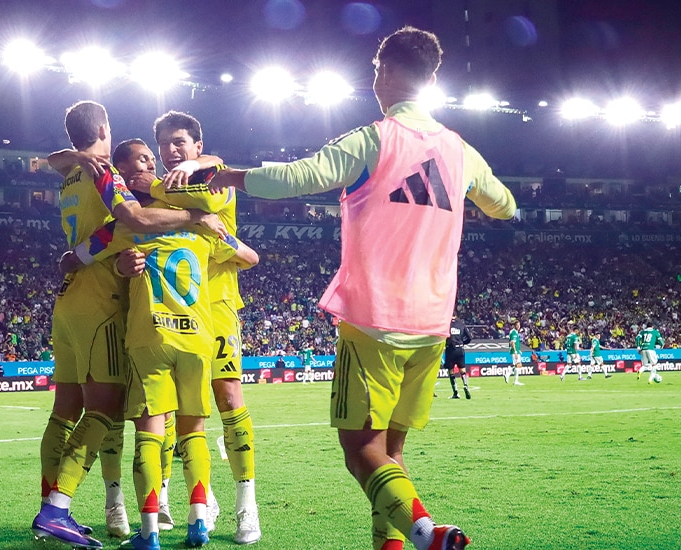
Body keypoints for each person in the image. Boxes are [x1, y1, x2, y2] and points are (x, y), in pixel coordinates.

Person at [202, 25, 515, 550]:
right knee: (390, 453)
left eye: (376, 71)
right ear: (432, 78)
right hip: (433, 323)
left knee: (360, 451)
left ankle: (425, 533)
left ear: (383, 72)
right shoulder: (461, 151)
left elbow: (299, 176)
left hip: (374, 320)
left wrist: (229, 175)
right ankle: (392, 544)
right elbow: (506, 205)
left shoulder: (373, 138)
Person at [32, 100, 224, 549]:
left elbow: (75, 250)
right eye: (144, 156)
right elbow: (132, 220)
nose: (152, 163)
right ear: (104, 129)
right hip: (103, 303)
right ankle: (56, 509)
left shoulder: (71, 174)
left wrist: (74, 257)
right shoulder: (105, 175)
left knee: (65, 411)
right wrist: (196, 219)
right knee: (105, 411)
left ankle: (64, 505)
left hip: (72, 300)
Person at [153, 111, 262, 544]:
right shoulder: (160, 192)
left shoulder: (213, 179)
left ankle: (246, 507)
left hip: (217, 307)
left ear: (198, 146)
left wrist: (192, 169)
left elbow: (203, 191)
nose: (171, 150)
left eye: (180, 142)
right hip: (175, 310)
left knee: (230, 397)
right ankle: (201, 499)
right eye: (164, 144)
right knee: (183, 413)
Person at [445, 317, 472, 399]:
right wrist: (462, 343)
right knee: (462, 370)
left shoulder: (447, 325)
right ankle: (465, 385)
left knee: (451, 371)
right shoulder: (461, 323)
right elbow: (469, 337)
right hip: (460, 349)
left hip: (450, 349)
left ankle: (456, 392)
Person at [506, 321, 525, 386]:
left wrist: (518, 350)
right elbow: (512, 343)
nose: (519, 326)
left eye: (519, 325)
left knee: (518, 365)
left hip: (516, 351)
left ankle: (515, 381)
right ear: (515, 326)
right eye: (517, 325)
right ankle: (508, 374)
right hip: (514, 351)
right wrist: (516, 352)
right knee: (518, 364)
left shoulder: (515, 332)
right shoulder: (513, 332)